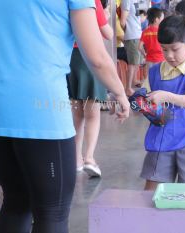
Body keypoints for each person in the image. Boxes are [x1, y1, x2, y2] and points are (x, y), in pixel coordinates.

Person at [0, 1, 129, 233]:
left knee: (17, 201)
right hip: (36, 104)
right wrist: (120, 92)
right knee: (52, 212)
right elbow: (96, 55)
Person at [139, 15, 185, 190]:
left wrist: (166, 96)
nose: (169, 55)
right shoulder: (155, 71)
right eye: (164, 50)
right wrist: (131, 105)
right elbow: (145, 97)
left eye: (174, 49)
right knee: (152, 192)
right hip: (161, 136)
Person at [67, 0, 114, 177]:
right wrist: (106, 17)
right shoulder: (93, 2)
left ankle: (76, 159)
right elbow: (108, 33)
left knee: (77, 114)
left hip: (71, 59)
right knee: (92, 114)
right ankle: (89, 158)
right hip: (90, 58)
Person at [121, 0, 143, 96]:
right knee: (132, 63)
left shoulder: (137, 1)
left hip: (137, 34)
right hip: (132, 36)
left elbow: (139, 18)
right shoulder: (127, 1)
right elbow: (122, 21)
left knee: (136, 61)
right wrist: (129, 31)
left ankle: (133, 82)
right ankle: (128, 88)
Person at [138, 7, 165, 78]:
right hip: (160, 58)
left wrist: (144, 54)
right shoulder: (161, 31)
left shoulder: (145, 32)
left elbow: (140, 47)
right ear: (156, 20)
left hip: (149, 59)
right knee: (160, 77)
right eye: (162, 19)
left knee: (150, 78)